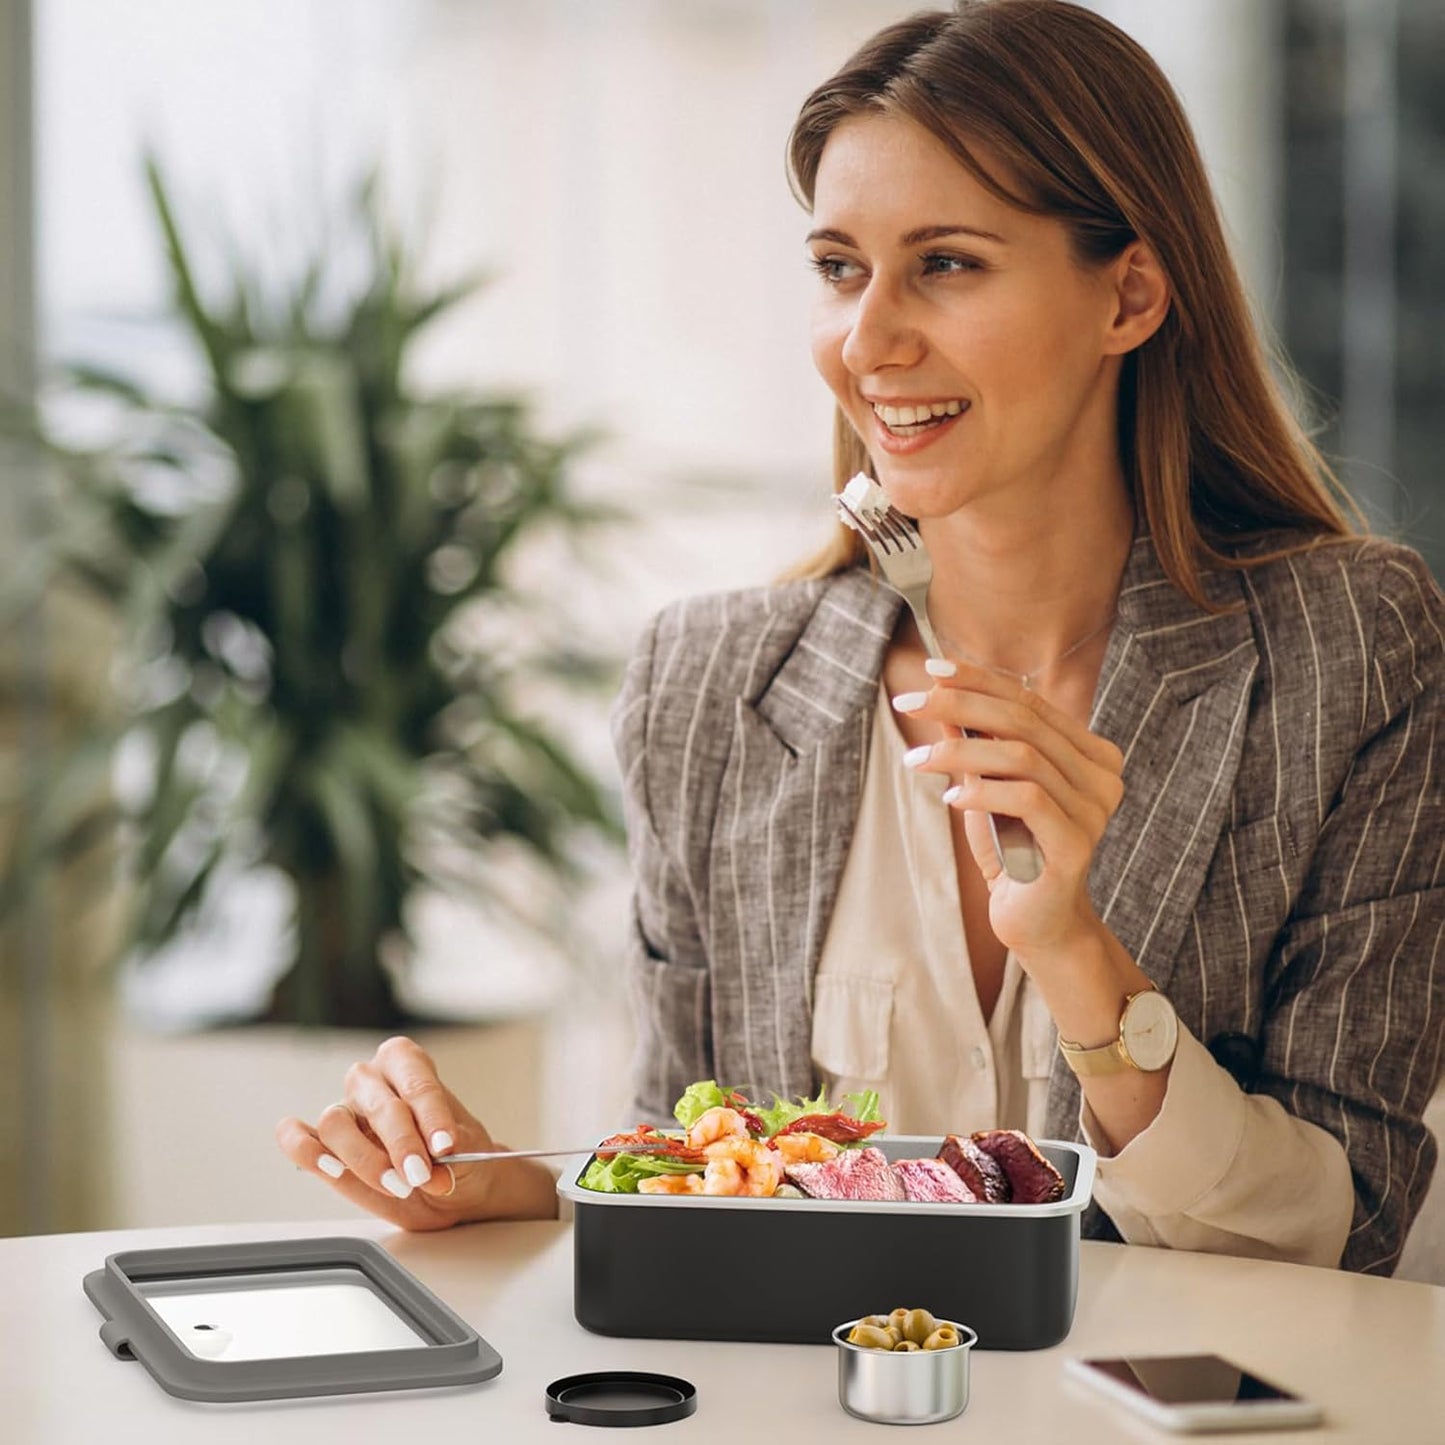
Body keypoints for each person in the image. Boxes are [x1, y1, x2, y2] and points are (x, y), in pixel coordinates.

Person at [276, 0, 1443, 1273]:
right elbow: (706, 1171)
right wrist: (513, 1189)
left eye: (945, 264)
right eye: (839, 268)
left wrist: (1075, 952)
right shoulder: (708, 684)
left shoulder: (1350, 649)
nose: (866, 340)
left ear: (1129, 294)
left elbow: (1344, 1228)